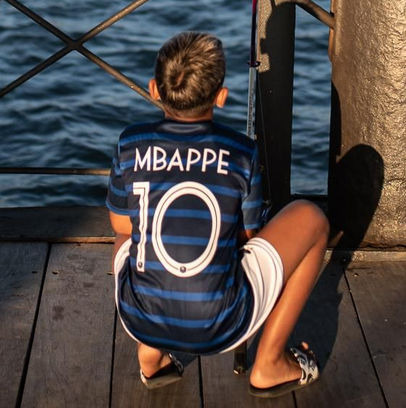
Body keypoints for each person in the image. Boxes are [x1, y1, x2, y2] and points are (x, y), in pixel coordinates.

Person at [107, 30, 329, 397]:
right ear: (221, 97)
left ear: (154, 89)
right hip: (225, 326)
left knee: (128, 235)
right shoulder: (241, 150)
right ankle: (269, 364)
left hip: (138, 319)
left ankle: (152, 354)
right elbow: (249, 236)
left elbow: (119, 225)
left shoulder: (131, 142)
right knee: (312, 218)